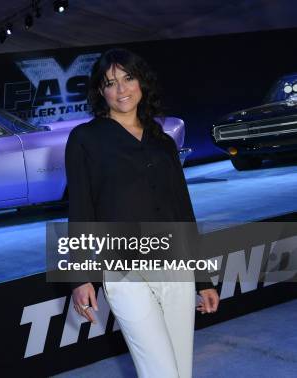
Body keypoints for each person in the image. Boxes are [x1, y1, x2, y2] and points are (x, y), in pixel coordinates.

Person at [65, 48, 220, 378]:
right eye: (110, 83)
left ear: (141, 82)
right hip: (124, 273)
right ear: (100, 92)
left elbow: (182, 210)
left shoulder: (161, 141)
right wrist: (80, 276)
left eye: (128, 78)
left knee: (180, 369)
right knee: (159, 371)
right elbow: (80, 209)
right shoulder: (84, 139)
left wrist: (203, 278)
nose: (121, 90)